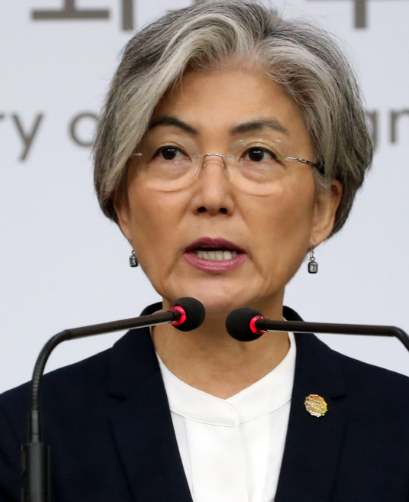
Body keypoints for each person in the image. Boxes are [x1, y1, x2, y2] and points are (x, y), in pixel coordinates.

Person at [1, 1, 409, 501]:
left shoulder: (398, 426)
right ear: (123, 203)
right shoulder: (26, 434)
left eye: (257, 154)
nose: (212, 196)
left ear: (323, 208)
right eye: (171, 152)